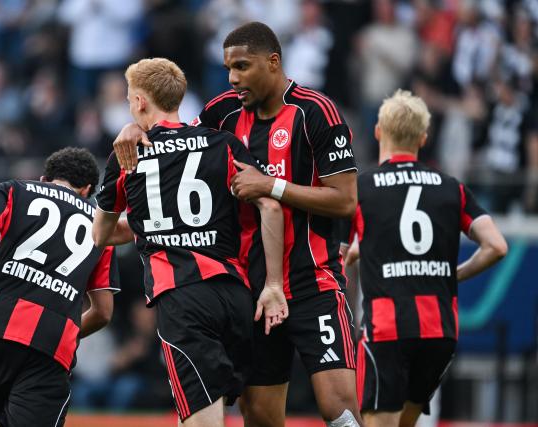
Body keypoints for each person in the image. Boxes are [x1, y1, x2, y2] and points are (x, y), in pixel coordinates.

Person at [112, 22, 362, 427]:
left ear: (273, 62)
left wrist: (272, 186)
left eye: (242, 67)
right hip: (252, 290)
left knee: (342, 412)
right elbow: (172, 140)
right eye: (228, 68)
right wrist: (135, 127)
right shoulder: (220, 112)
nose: (233, 78)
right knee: (260, 417)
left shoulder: (316, 111)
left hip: (312, 280)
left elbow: (346, 200)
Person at [92, 57, 288, 427]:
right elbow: (269, 206)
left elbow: (100, 235)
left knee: (202, 418)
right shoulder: (223, 143)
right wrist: (274, 284)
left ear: (139, 103)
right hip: (235, 294)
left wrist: (149, 225)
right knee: (248, 413)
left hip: (182, 296)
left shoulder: (128, 155)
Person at [342, 90, 508, 427]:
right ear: (423, 138)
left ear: (378, 132)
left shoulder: (363, 188)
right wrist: (454, 275)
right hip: (439, 330)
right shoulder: (452, 188)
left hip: (387, 327)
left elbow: (339, 254)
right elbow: (496, 246)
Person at [0, 147, 120, 427]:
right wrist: (66, 331)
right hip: (53, 345)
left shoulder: (16, 190)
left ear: (43, 179)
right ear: (88, 189)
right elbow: (103, 312)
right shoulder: (100, 227)